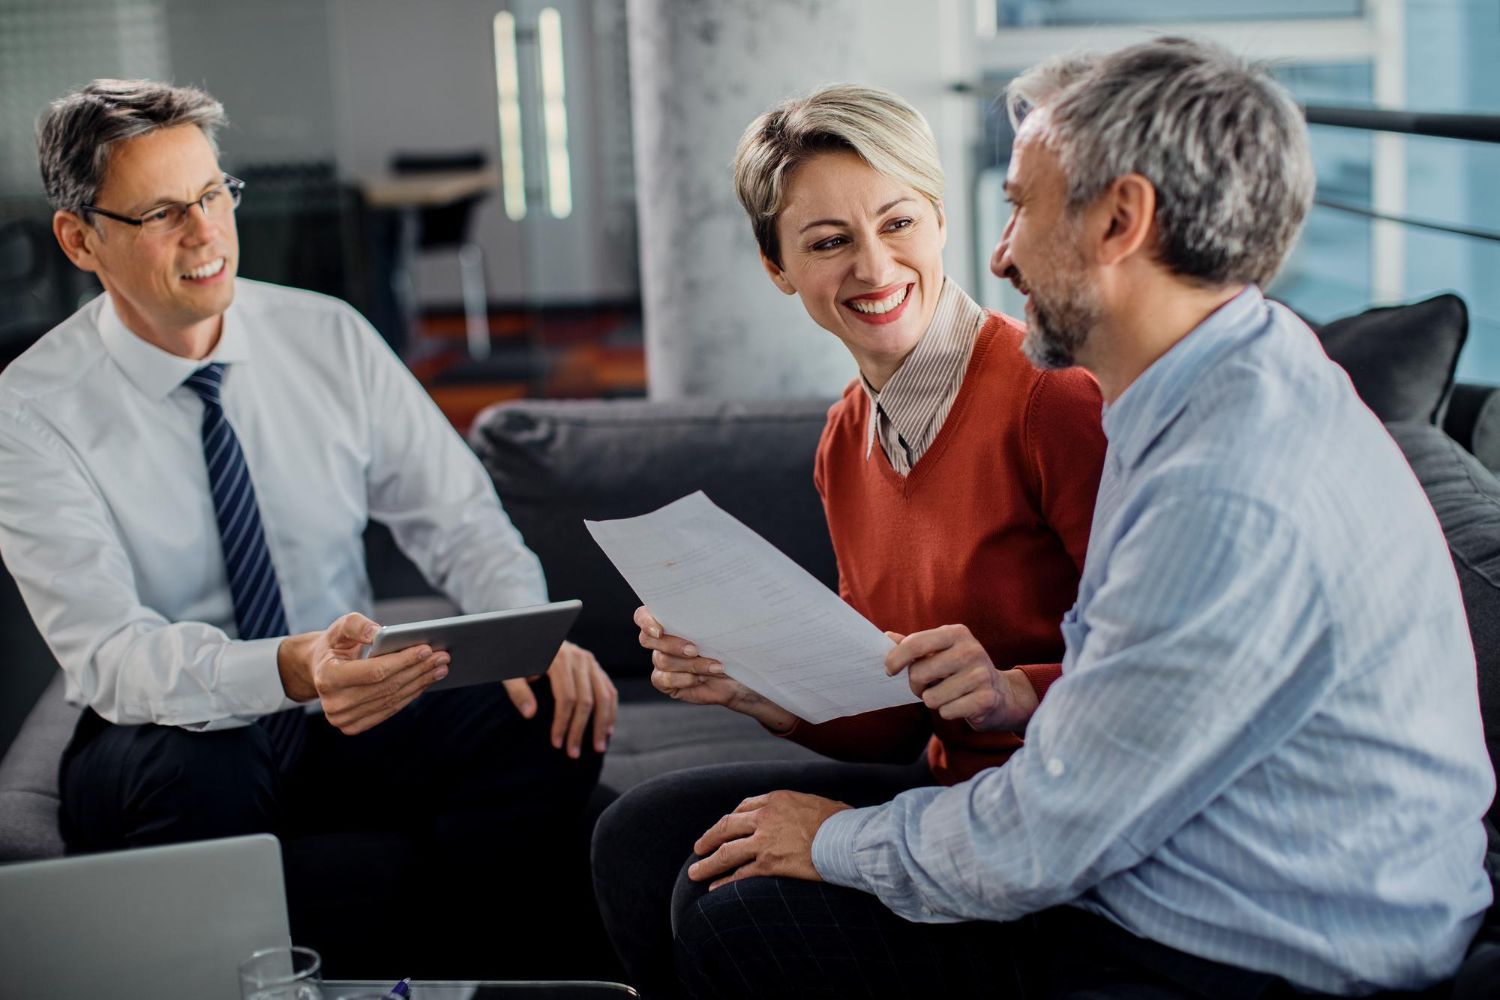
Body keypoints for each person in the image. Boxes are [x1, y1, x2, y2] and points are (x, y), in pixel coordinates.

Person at [644, 38, 1495, 999]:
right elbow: (1104, 717)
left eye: (1019, 206)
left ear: (1119, 220)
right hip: (1176, 873)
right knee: (675, 859)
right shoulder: (1206, 394)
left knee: (744, 916)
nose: (1000, 254)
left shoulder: (1221, 487)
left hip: (1252, 946)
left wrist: (836, 839)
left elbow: (1049, 830)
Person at [0, 79, 618, 978]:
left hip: (351, 699)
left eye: (214, 194)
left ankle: (461, 980)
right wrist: (288, 669)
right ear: (80, 239)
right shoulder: (29, 411)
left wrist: (518, 630)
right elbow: (109, 655)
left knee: (551, 719)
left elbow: (458, 520)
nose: (207, 233)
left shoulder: (327, 336)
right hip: (165, 725)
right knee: (199, 768)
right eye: (164, 213)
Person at [592, 83, 1107, 997]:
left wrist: (1012, 688)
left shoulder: (1051, 398)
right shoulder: (844, 440)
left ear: (943, 221)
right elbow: (895, 714)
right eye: (828, 242)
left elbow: (1167, 675)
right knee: (639, 839)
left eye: (898, 222)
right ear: (778, 268)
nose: (875, 267)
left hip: (1061, 812)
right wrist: (761, 691)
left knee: (731, 910)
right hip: (947, 788)